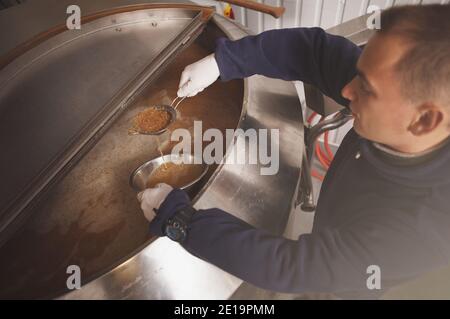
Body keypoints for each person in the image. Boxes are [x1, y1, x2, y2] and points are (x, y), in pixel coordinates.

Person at [137, 4, 450, 299]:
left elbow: (290, 265)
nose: (346, 90)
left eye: (366, 87)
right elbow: (312, 51)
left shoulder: (427, 228)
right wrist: (224, 61)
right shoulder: (402, 108)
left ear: (425, 120)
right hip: (338, 222)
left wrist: (180, 221)